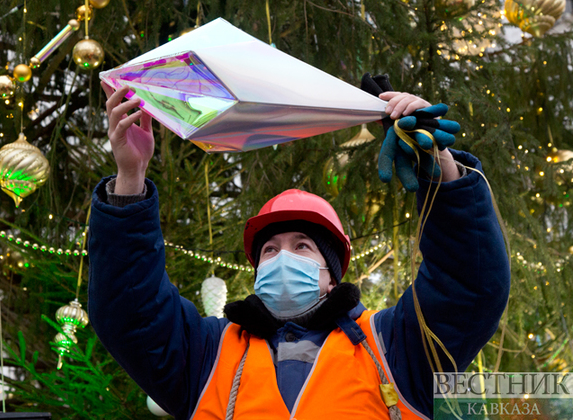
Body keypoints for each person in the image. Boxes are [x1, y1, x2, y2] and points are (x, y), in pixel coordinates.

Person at [88, 80, 510, 420]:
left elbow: (468, 287)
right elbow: (131, 313)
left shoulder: (396, 348)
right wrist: (130, 178)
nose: (282, 257)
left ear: (331, 275)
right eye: (269, 250)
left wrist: (442, 169)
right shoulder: (205, 355)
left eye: (302, 245)